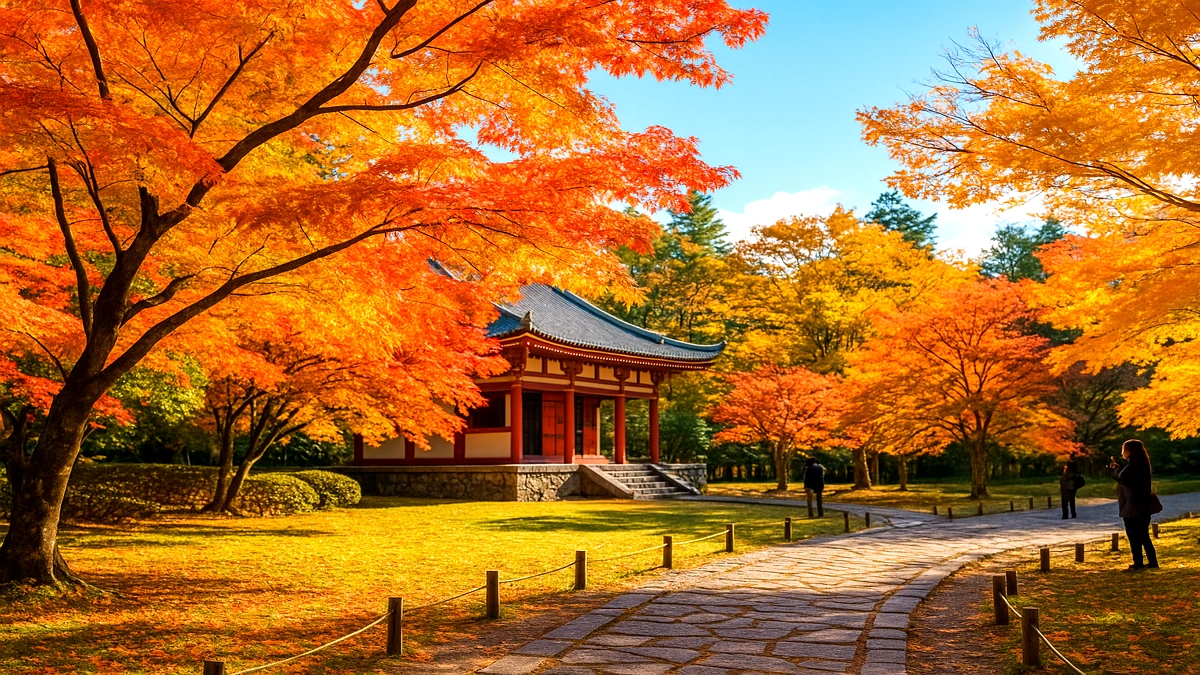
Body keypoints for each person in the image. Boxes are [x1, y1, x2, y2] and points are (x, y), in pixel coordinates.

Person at [1109, 439, 1158, 570]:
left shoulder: (1133, 464)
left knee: (1134, 535)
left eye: (1124, 448)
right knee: (1143, 535)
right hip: (1141, 504)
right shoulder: (1141, 463)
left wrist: (1113, 471)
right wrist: (1119, 469)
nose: (1122, 451)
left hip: (1133, 505)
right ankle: (1151, 562)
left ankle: (1139, 563)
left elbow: (1124, 479)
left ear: (1130, 450)